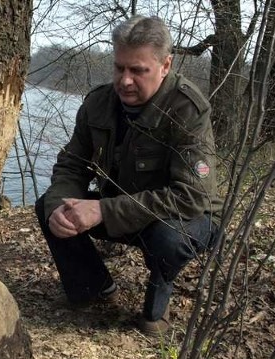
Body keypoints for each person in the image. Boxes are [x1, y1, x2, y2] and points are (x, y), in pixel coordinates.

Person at [35, 15, 223, 335]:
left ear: (165, 65)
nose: (125, 81)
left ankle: (156, 306)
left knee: (168, 239)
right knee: (50, 204)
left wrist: (102, 210)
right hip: (124, 209)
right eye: (119, 67)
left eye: (138, 70)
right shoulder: (99, 102)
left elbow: (192, 196)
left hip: (186, 218)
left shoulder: (187, 108)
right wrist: (58, 208)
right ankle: (94, 287)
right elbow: (71, 165)